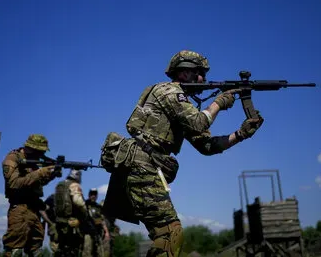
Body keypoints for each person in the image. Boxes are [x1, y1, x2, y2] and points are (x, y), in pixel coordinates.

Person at [102, 50, 264, 257]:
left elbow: (207, 146)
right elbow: (199, 122)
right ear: (185, 73)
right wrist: (219, 103)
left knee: (168, 234)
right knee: (170, 233)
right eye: (200, 73)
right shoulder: (168, 91)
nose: (204, 79)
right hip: (142, 164)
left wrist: (240, 134)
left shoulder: (181, 106)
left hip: (144, 165)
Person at [1, 134, 58, 257]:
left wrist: (51, 174)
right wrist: (39, 172)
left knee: (36, 250)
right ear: (31, 148)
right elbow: (14, 183)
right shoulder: (13, 158)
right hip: (19, 208)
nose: (41, 155)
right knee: (15, 250)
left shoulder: (33, 161)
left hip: (34, 209)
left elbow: (37, 183)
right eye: (39, 151)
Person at [54, 169, 90, 257]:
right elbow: (78, 201)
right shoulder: (74, 185)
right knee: (73, 249)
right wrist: (85, 213)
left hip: (60, 221)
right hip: (72, 222)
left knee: (62, 248)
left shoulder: (60, 184)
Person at [83, 189, 109, 257]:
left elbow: (102, 220)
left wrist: (106, 232)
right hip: (87, 233)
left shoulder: (98, 207)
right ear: (89, 195)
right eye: (92, 194)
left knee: (99, 253)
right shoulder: (84, 205)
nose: (93, 196)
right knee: (87, 252)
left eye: (95, 194)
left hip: (98, 233)